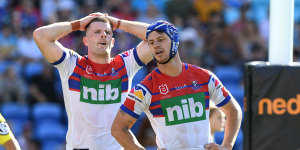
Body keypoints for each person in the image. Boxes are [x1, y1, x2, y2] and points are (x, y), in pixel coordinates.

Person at [111, 20, 242, 150]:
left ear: (175, 41)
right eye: (151, 42)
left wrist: (226, 146)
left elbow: (233, 110)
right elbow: (118, 129)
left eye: (161, 39)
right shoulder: (146, 88)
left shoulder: (204, 76)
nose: (156, 45)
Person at [33, 12, 152, 150]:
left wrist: (119, 23)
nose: (103, 35)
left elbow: (157, 37)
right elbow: (40, 36)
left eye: (107, 32)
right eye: (97, 32)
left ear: (112, 42)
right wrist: (78, 24)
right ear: (85, 41)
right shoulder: (72, 64)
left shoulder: (125, 64)